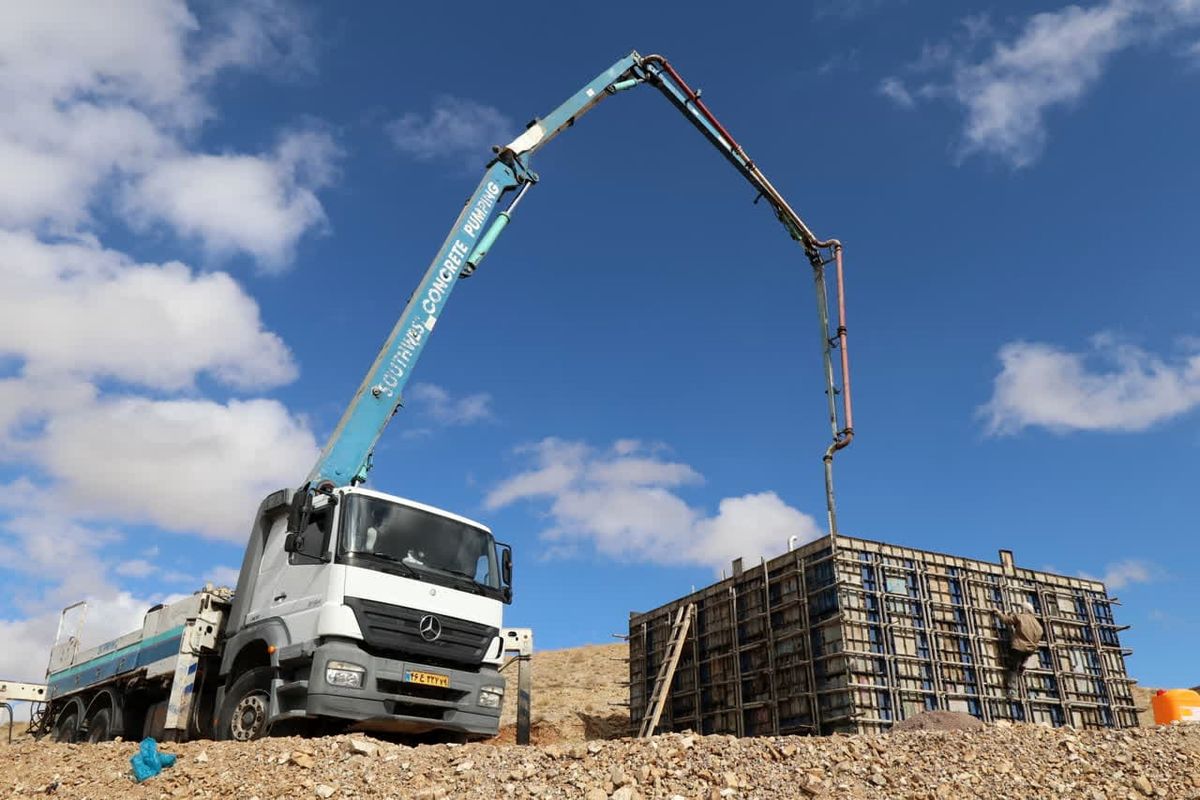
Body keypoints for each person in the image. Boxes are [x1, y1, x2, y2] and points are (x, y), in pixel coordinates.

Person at [999, 601, 1043, 697]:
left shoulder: (1021, 617)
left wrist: (998, 613)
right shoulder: (1038, 626)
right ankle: (1023, 665)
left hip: (1018, 647)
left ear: (1025, 610)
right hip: (1030, 650)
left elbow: (1007, 620)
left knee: (1012, 668)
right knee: (1022, 659)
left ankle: (1012, 690)